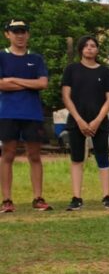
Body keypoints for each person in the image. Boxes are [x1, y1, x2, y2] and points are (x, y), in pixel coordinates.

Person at [60, 35, 109, 211]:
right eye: (86, 46)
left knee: (102, 157)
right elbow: (66, 97)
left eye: (93, 46)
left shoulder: (105, 72)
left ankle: (107, 196)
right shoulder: (72, 70)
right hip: (77, 121)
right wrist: (79, 120)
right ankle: (77, 197)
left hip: (99, 122)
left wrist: (98, 120)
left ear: (97, 49)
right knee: (77, 159)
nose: (90, 48)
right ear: (81, 50)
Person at [0, 20, 52, 213]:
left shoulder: (36, 59)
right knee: (8, 155)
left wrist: (13, 79)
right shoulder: (2, 57)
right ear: (7, 34)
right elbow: (1, 85)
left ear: (28, 35)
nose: (20, 35)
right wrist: (29, 83)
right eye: (15, 32)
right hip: (8, 113)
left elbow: (42, 84)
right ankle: (6, 200)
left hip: (32, 113)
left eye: (23, 31)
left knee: (35, 155)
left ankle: (38, 198)